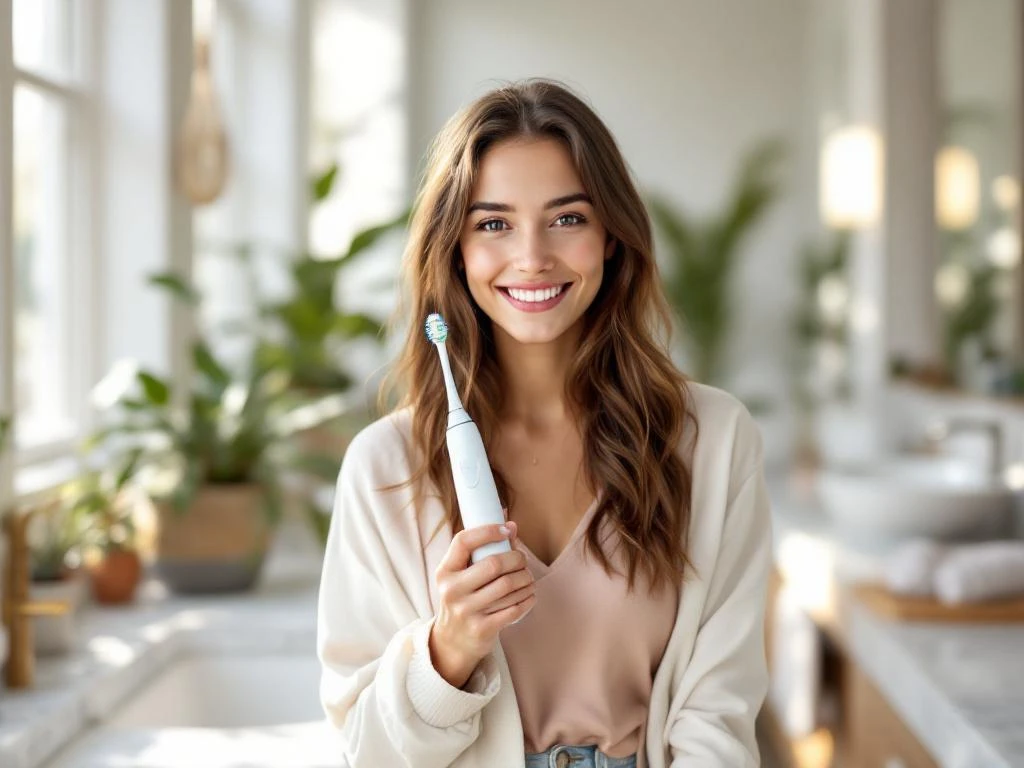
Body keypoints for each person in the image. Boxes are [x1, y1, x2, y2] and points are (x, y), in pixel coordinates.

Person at [317, 78, 773, 768]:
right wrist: (447, 652)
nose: (533, 256)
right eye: (494, 223)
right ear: (456, 251)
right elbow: (364, 754)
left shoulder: (711, 441)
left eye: (567, 218)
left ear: (612, 238)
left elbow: (720, 714)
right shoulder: (385, 468)